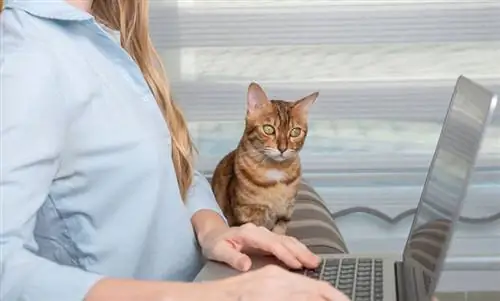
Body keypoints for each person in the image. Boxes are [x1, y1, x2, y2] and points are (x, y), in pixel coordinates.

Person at [1, 1, 351, 300]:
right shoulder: (25, 58)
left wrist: (214, 232)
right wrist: (219, 294)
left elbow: (172, 171)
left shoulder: (106, 42)